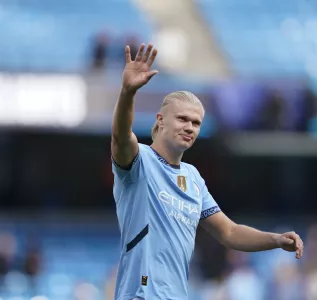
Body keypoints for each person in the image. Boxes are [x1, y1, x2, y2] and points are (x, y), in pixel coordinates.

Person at [111, 43, 304, 300]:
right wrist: (127, 92)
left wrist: (276, 240)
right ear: (160, 120)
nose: (190, 127)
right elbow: (121, 137)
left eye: (196, 123)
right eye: (182, 119)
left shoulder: (192, 179)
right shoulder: (140, 160)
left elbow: (229, 232)